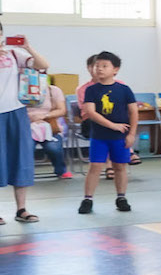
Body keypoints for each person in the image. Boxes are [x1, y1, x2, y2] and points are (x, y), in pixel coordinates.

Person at [76, 51, 135, 214]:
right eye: (97, 66)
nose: (99, 69)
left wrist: (131, 134)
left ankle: (121, 197)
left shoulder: (124, 89)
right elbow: (91, 112)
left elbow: (133, 112)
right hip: (99, 136)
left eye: (104, 66)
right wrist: (112, 125)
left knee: (120, 166)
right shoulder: (91, 90)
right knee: (95, 166)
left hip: (120, 136)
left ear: (115, 69)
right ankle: (88, 199)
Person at [29, 74, 69, 182]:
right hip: (27, 127)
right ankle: (25, 174)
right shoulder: (21, 91)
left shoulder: (54, 90)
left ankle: (61, 170)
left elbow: (62, 110)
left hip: (50, 127)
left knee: (53, 148)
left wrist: (45, 116)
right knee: (27, 147)